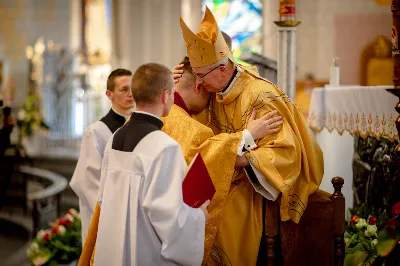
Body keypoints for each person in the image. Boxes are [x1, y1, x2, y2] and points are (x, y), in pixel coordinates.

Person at [177, 7, 324, 265]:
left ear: (222, 70)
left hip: (249, 189)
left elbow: (286, 152)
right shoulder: (214, 92)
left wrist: (239, 160)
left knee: (215, 221)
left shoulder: (260, 97)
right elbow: (193, 136)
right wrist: (173, 81)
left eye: (201, 77)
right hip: (218, 178)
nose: (198, 85)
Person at [162, 56, 283, 264]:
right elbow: (204, 158)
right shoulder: (187, 125)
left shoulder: (160, 110)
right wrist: (248, 136)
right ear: (199, 86)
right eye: (211, 95)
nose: (212, 103)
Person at [94, 63, 209, 266]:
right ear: (165, 96)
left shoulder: (115, 137)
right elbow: (168, 217)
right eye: (172, 94)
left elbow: (103, 198)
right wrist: (199, 216)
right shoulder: (164, 147)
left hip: (111, 250)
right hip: (144, 253)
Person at [70, 68, 135, 244]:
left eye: (133, 88)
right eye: (123, 89)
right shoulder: (97, 132)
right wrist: (114, 212)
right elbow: (88, 182)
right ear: (109, 94)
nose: (130, 94)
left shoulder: (139, 127)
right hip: (109, 216)